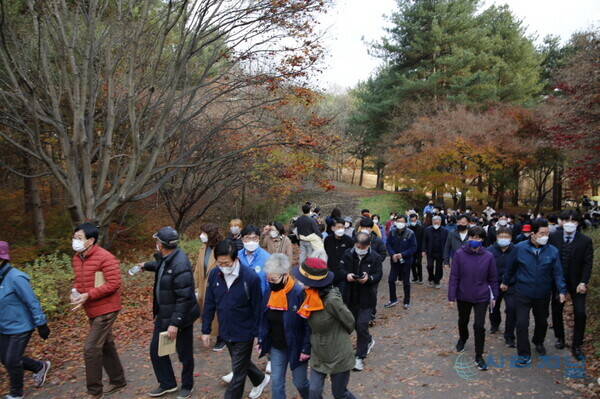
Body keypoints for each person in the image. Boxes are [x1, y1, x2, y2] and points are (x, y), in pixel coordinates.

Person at [201, 240, 270, 399]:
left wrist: (258, 335)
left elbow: (258, 308)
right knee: (241, 363)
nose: (223, 266)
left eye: (227, 263)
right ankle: (260, 379)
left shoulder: (250, 278)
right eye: (220, 263)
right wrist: (206, 330)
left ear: (236, 259)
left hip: (244, 332)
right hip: (226, 330)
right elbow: (210, 302)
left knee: (237, 375)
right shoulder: (214, 274)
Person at [140, 227, 200, 399]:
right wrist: (146, 265)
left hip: (180, 317)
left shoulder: (180, 263)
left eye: (158, 241)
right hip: (163, 313)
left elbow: (184, 297)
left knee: (184, 353)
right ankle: (167, 383)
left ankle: (187, 385)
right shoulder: (166, 258)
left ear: (163, 244)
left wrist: (175, 323)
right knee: (156, 350)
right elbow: (161, 266)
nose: (156, 244)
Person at [70, 223, 126, 399]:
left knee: (91, 348)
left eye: (79, 238)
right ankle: (118, 380)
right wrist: (75, 293)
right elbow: (79, 281)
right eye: (74, 237)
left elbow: (113, 283)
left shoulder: (105, 257)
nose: (75, 241)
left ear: (91, 240)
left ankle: (94, 392)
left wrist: (89, 295)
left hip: (107, 308)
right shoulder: (77, 258)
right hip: (91, 308)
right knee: (106, 345)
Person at [501, 220, 567, 367]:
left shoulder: (552, 251)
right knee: (522, 323)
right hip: (523, 292)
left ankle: (538, 341)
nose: (545, 236)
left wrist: (562, 290)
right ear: (533, 234)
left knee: (542, 322)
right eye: (542, 233)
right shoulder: (519, 248)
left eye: (547, 233)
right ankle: (523, 354)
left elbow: (558, 272)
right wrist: (505, 282)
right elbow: (510, 268)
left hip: (543, 293)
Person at [291, 258, 356, 399]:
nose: (298, 281)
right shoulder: (306, 295)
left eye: (302, 279)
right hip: (318, 352)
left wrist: (336, 334)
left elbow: (349, 321)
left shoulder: (331, 300)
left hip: (338, 353)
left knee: (340, 394)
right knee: (314, 392)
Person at [0, 241, 51, 399]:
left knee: (11, 361)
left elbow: (32, 301)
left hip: (21, 326)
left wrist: (41, 323)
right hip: (4, 326)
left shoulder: (16, 277)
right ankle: (39, 366)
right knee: (5, 359)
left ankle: (16, 394)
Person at [258, 254, 310, 399]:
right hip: (277, 346)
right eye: (268, 279)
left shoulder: (299, 293)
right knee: (276, 383)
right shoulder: (269, 291)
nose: (270, 283)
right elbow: (264, 317)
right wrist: (262, 339)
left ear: (285, 275)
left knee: (300, 383)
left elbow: (307, 324)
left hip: (297, 346)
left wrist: (306, 348)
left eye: (273, 279)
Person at [448, 226, 498, 371]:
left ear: (482, 240)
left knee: (479, 325)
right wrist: (452, 296)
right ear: (468, 238)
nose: (474, 240)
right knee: (463, 320)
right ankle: (463, 337)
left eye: (478, 238)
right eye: (472, 237)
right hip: (463, 294)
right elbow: (454, 277)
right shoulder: (459, 254)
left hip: (482, 295)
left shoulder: (488, 256)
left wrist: (494, 295)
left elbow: (493, 278)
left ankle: (479, 354)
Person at [549, 210, 593, 358]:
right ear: (561, 221)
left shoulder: (585, 240)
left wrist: (583, 282)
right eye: (566, 220)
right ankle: (560, 337)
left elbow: (588, 263)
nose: (570, 224)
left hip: (577, 283)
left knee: (580, 312)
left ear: (578, 223)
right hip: (558, 281)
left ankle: (577, 344)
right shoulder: (554, 237)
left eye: (573, 221)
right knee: (556, 309)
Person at [338, 232, 382, 371]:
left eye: (362, 247)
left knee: (362, 324)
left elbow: (378, 275)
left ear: (368, 245)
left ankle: (359, 357)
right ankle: (367, 340)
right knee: (352, 324)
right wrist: (347, 275)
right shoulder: (348, 254)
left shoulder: (375, 257)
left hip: (367, 297)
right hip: (350, 296)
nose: (360, 249)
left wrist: (369, 279)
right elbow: (340, 269)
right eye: (357, 246)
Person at [194, 223, 225, 352]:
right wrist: (195, 286)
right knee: (206, 309)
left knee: (218, 312)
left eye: (204, 233)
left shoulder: (220, 248)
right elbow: (197, 268)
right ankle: (210, 332)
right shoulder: (203, 247)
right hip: (203, 285)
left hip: (217, 285)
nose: (201, 236)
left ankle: (221, 337)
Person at [487, 227, 517, 347]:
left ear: (511, 238)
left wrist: (509, 281)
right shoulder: (489, 251)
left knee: (512, 308)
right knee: (494, 306)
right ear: (497, 237)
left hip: (511, 284)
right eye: (501, 236)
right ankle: (495, 324)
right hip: (494, 283)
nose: (504, 239)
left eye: (507, 237)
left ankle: (509, 335)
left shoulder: (516, 250)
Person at [385, 215, 417, 309]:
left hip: (406, 261)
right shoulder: (392, 232)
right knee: (391, 280)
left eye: (402, 221)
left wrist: (403, 254)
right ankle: (393, 299)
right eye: (398, 221)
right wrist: (392, 254)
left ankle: (406, 301)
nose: (400, 223)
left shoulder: (410, 233)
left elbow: (413, 247)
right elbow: (388, 244)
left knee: (406, 281)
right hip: (394, 261)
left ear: (405, 222)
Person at [324, 218, 354, 288]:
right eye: (338, 227)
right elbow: (327, 251)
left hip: (344, 272)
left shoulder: (349, 240)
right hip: (331, 271)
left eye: (342, 227)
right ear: (332, 228)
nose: (341, 229)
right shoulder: (328, 239)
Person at [238, 225, 270, 294]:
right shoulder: (237, 256)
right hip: (240, 299)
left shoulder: (267, 258)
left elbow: (269, 283)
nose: (251, 242)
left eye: (255, 238)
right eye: (248, 238)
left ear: (259, 239)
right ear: (242, 239)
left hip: (260, 298)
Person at [422, 216, 448, 288]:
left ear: (440, 222)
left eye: (437, 222)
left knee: (439, 267)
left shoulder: (444, 231)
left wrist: (446, 252)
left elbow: (447, 242)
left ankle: (437, 281)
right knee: (429, 266)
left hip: (440, 252)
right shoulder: (427, 230)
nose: (436, 224)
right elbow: (424, 240)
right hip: (430, 252)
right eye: (434, 222)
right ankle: (431, 278)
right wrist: (423, 250)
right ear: (432, 222)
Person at [408, 214, 424, 284]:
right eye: (411, 220)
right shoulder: (408, 228)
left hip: (419, 248)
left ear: (417, 220)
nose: (413, 222)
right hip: (411, 249)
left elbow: (424, 239)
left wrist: (423, 250)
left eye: (414, 220)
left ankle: (420, 277)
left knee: (418, 263)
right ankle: (415, 277)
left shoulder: (421, 228)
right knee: (412, 263)